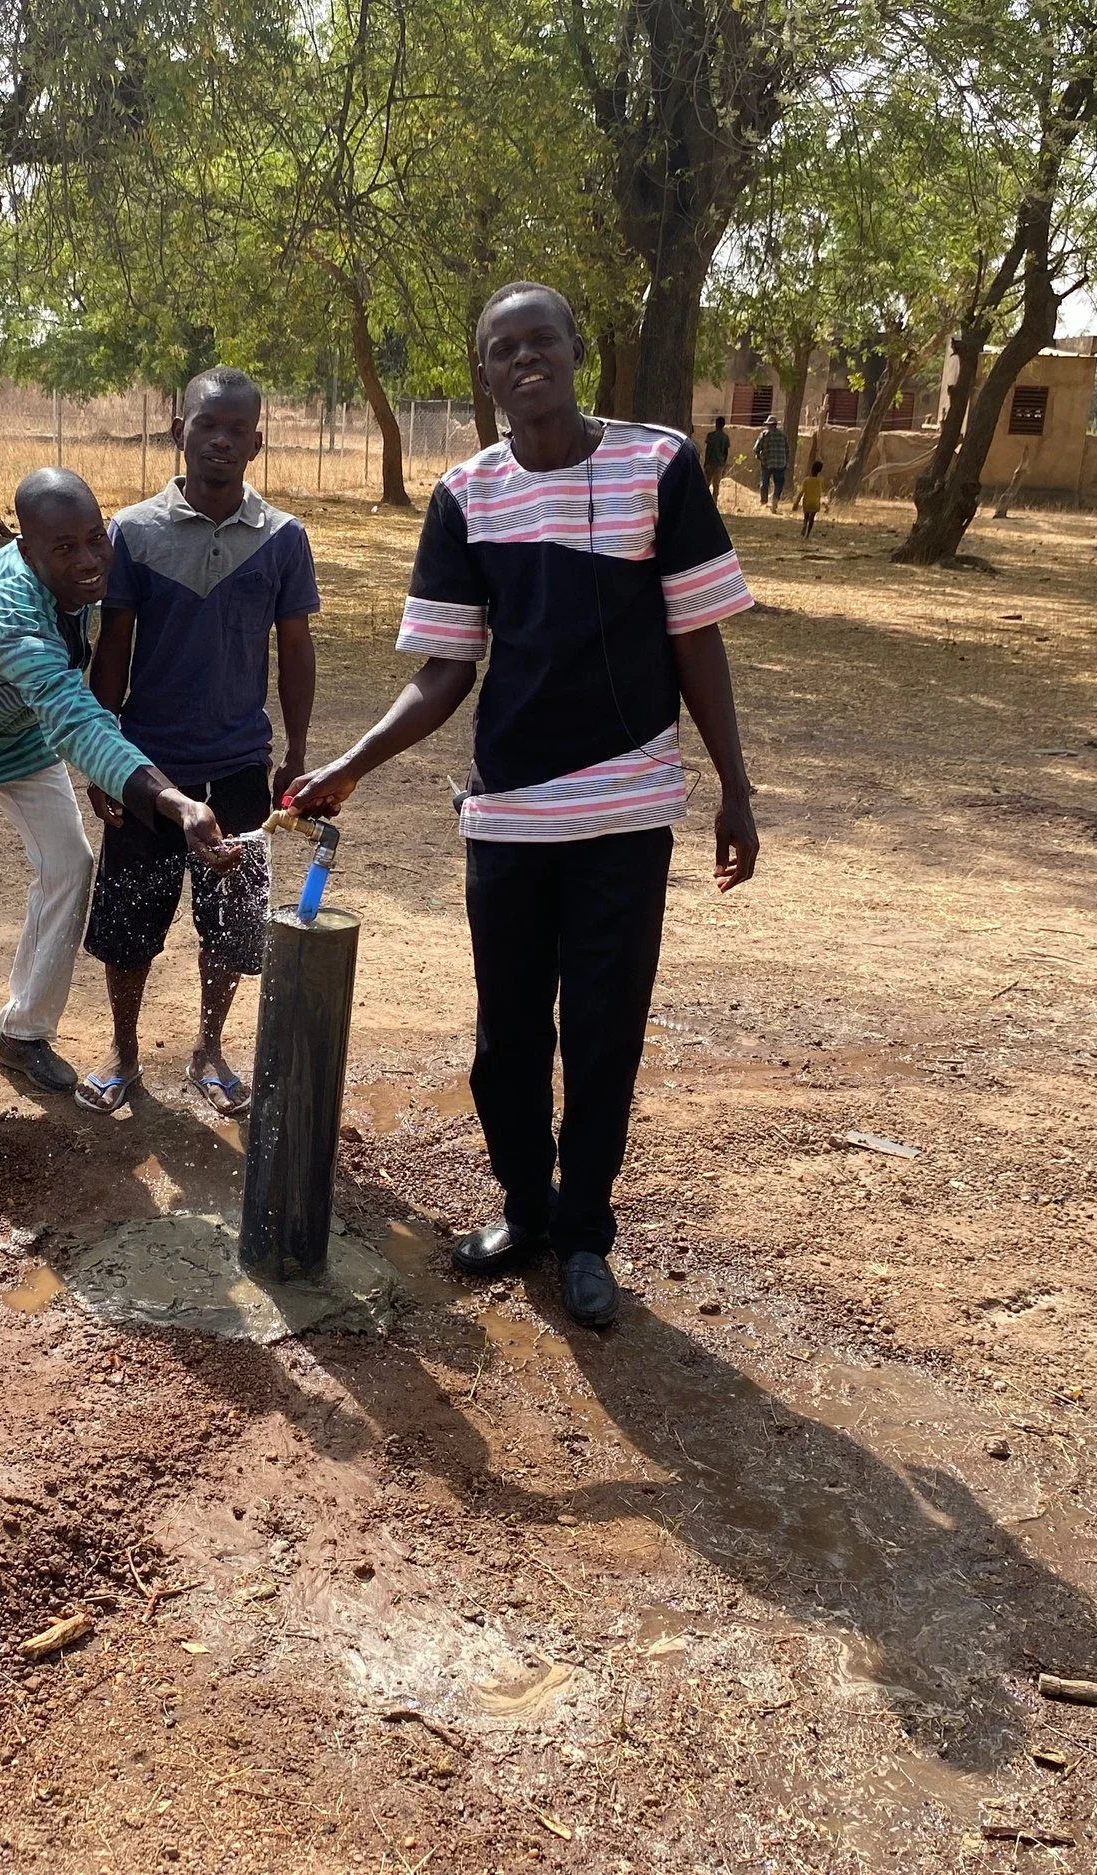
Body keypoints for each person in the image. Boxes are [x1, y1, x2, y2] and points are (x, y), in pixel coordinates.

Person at [289, 281, 759, 1330]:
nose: (524, 358)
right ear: (488, 374)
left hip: (627, 816)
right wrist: (351, 765)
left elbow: (696, 635)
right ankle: (523, 1208)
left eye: (540, 337)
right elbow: (444, 669)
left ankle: (585, 1231)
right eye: (503, 349)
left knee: (602, 1035)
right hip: (506, 818)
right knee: (507, 1037)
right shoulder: (466, 497)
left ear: (574, 348)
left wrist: (734, 787)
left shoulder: (659, 467)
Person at [0, 468, 242, 1109]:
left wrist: (118, 772)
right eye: (66, 549)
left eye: (96, 539)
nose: (89, 561)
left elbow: (74, 707)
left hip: (18, 736)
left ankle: (24, 1031)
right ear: (26, 551)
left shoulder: (84, 574)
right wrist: (174, 802)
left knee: (70, 863)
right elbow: (73, 715)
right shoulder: (9, 616)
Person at [77, 368, 320, 1116]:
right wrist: (103, 751)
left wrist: (297, 754)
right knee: (129, 918)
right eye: (205, 425)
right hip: (147, 767)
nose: (220, 439)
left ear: (257, 441)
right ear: (178, 431)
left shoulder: (282, 539)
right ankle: (123, 1050)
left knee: (234, 923)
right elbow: (113, 644)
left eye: (236, 428)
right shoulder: (133, 532)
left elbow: (296, 649)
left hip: (241, 766)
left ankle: (210, 1047)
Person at [753, 413, 793, 510]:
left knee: (764, 482)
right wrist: (785, 461)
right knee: (779, 483)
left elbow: (756, 449)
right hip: (780, 463)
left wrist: (759, 457)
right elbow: (788, 450)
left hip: (767, 463)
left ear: (768, 425)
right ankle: (775, 500)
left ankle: (764, 501)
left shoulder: (764, 434)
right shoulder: (782, 435)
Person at [703, 414, 733, 507]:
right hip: (719, 464)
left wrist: (705, 462)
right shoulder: (725, 437)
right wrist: (723, 464)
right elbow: (725, 452)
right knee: (716, 485)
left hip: (710, 462)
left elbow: (707, 450)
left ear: (716, 424)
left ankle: (704, 503)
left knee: (706, 484)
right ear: (723, 425)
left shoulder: (710, 435)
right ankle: (714, 504)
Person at [799, 456, 827, 537]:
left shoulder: (806, 480)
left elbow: (801, 492)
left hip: (806, 502)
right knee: (812, 519)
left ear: (811, 469)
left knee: (806, 516)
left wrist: (796, 503)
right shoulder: (820, 481)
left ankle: (804, 525)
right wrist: (826, 505)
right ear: (820, 471)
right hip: (815, 503)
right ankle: (807, 534)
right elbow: (820, 493)